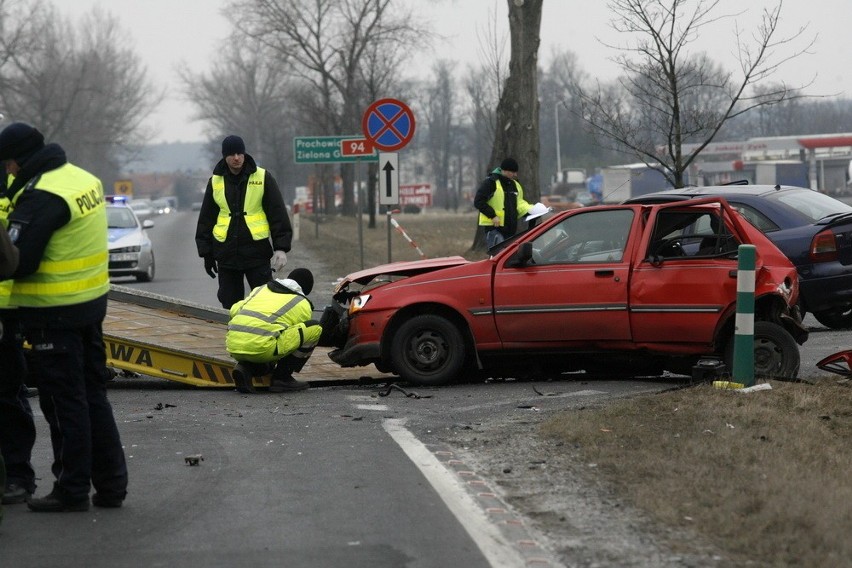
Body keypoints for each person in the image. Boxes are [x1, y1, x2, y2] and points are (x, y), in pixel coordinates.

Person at [0, 121, 128, 512]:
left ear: (19, 162)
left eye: (7, 165)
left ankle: (72, 490)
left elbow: (18, 263)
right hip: (89, 305)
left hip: (54, 314)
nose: (6, 173)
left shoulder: (42, 197)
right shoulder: (80, 179)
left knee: (66, 402)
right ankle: (111, 486)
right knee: (92, 396)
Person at [195, 135, 293, 309]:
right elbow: (206, 219)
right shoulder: (215, 181)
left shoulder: (263, 177)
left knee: (264, 304)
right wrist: (207, 254)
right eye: (232, 154)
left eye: (240, 153)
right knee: (230, 305)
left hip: (256, 253)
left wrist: (281, 247)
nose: (236, 157)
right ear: (224, 156)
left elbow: (277, 213)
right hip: (227, 255)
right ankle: (233, 335)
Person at [0, 169, 38, 507]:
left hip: (6, 311)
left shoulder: (16, 188)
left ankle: (18, 476)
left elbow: (11, 260)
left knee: (8, 395)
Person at [226, 268, 322, 394]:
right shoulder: (302, 303)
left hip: (233, 346)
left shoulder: (260, 289)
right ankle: (282, 378)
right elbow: (293, 337)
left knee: (270, 334)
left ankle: (246, 367)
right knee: (314, 328)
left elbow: (234, 310)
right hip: (263, 349)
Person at [474, 157, 534, 249]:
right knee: (498, 258)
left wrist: (532, 210)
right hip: (494, 229)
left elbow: (519, 203)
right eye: (513, 172)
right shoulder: (491, 182)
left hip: (510, 231)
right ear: (505, 171)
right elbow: (478, 201)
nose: (515, 175)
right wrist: (492, 215)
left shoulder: (515, 185)